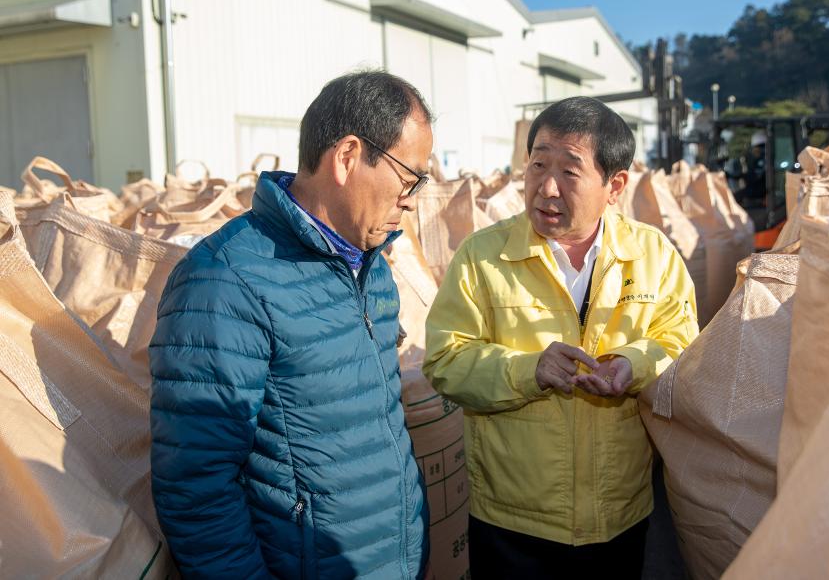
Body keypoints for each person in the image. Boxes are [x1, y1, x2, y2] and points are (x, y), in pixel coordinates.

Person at [149, 70, 432, 579]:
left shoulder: (372, 266)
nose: (411, 198)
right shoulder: (225, 280)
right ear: (347, 157)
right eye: (408, 177)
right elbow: (196, 485)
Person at [423, 96, 699, 579]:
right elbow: (446, 360)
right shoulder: (482, 256)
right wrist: (528, 370)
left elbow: (681, 341)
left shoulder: (652, 254)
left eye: (569, 172)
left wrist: (633, 364)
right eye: (537, 165)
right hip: (512, 519)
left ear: (615, 186)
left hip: (617, 513)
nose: (546, 188)